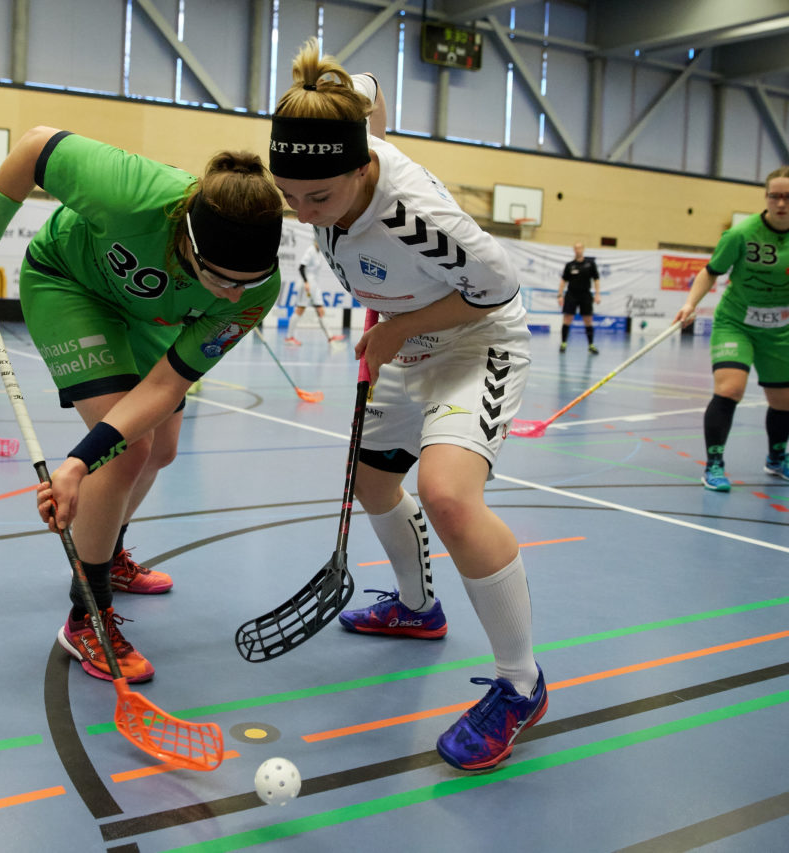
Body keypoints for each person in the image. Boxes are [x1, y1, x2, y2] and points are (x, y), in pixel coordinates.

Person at [269, 38, 545, 772]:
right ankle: (418, 609)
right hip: (405, 337)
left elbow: (498, 288)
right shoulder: (340, 122)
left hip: (474, 341)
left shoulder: (416, 217)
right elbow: (364, 87)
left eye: (319, 199)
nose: (304, 213)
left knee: (448, 497)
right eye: (289, 196)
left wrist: (398, 325)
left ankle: (521, 684)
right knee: (372, 481)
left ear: (363, 167)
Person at [0, 127, 284, 684]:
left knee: (161, 450)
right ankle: (88, 615)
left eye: (247, 283)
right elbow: (35, 147)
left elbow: (164, 388)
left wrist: (78, 463)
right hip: (69, 282)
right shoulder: (133, 193)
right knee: (128, 453)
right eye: (220, 279)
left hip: (151, 316)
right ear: (188, 244)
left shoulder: (253, 291)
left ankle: (108, 554)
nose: (232, 296)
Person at [673, 165, 789, 492]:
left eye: (788, 197)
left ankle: (777, 458)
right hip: (736, 322)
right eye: (774, 196)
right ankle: (714, 464)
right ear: (766, 197)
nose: (781, 203)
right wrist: (690, 304)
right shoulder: (740, 234)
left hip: (780, 327)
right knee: (730, 389)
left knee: (785, 400)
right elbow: (710, 271)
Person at [558, 242, 601, 353]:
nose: (578, 250)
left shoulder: (590, 264)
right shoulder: (570, 265)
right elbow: (563, 281)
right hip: (571, 294)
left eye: (580, 248)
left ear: (583, 249)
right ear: (574, 250)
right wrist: (560, 295)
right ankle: (563, 343)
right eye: (576, 248)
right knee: (567, 319)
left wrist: (597, 294)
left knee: (588, 320)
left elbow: (596, 279)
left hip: (585, 295)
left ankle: (591, 345)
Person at [286, 239, 330, 345]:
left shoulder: (319, 252)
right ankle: (289, 337)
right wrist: (306, 282)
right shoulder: (310, 250)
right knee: (300, 309)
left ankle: (330, 337)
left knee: (320, 309)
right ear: (315, 241)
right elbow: (301, 268)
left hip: (315, 284)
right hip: (307, 284)